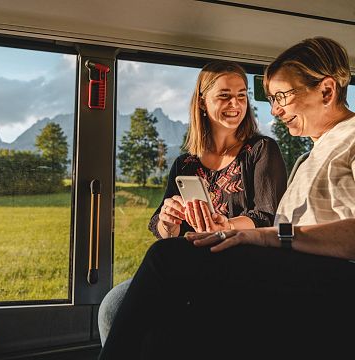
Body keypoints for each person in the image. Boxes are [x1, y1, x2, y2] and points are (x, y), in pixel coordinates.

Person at [98, 60, 287, 345]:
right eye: (224, 95)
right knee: (111, 306)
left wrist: (228, 226)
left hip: (243, 266)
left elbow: (267, 216)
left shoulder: (261, 150)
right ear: (202, 101)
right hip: (191, 263)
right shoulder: (184, 163)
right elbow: (160, 228)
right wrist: (167, 221)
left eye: (241, 94)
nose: (235, 103)